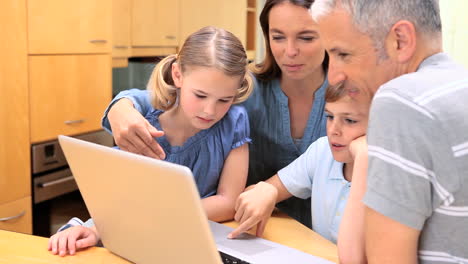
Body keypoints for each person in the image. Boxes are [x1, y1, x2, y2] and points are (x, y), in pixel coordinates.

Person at [101, 0, 329, 228]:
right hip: (254, 230)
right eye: (278, 37)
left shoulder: (351, 98)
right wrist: (120, 105)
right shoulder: (243, 88)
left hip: (327, 235)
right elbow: (166, 98)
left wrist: (271, 188)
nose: (289, 51)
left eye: (306, 38)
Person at [48, 26, 254, 257]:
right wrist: (96, 228)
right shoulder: (141, 121)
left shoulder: (235, 121)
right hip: (125, 227)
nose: (210, 110)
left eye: (224, 99)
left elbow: (229, 202)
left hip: (188, 237)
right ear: (177, 75)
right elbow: (118, 200)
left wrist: (158, 216)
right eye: (200, 95)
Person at [311, 0, 468, 263]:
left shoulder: (401, 101)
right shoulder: (457, 87)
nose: (333, 76)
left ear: (400, 41)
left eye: (343, 55)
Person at [228, 83, 370, 263]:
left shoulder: (394, 176)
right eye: (329, 116)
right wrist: (267, 191)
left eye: (349, 120)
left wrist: (363, 160)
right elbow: (262, 190)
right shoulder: (322, 151)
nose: (334, 130)